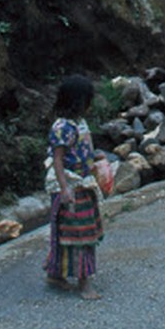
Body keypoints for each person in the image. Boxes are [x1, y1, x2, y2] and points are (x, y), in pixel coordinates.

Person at [43, 75, 108, 300]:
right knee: (79, 232)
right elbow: (58, 160)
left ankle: (57, 273)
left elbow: (81, 150)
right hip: (71, 184)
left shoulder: (79, 123)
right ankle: (84, 282)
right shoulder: (63, 128)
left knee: (66, 230)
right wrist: (65, 188)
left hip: (82, 181)